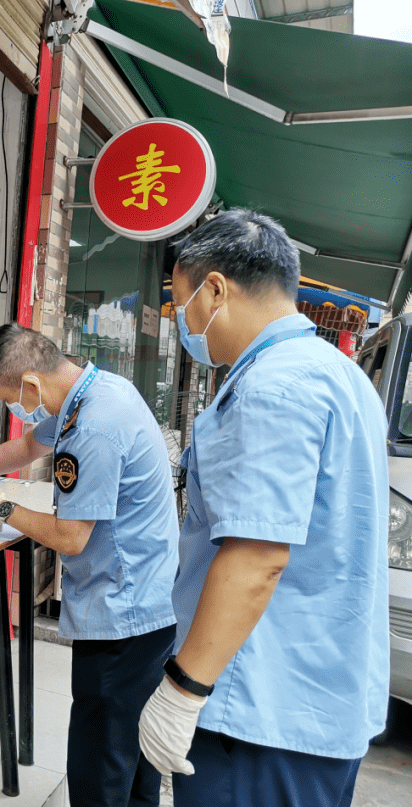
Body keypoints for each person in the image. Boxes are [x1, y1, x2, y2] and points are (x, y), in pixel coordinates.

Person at [137, 209, 390, 807]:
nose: (184, 324)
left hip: (259, 705)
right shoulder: (339, 375)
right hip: (319, 691)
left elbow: (256, 558)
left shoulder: (271, 388)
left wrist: (183, 688)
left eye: (180, 304)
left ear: (215, 289)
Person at [0, 323, 179, 807]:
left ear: (29, 384)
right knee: (134, 757)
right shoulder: (95, 392)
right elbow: (28, 446)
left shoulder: (94, 427)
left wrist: (4, 509)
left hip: (122, 620)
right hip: (150, 604)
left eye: (6, 398)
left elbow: (70, 537)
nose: (14, 409)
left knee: (100, 764)